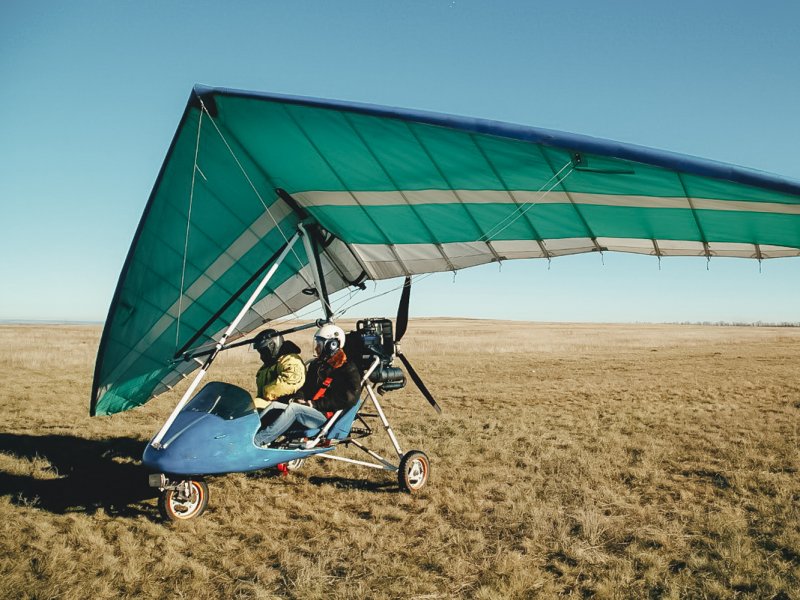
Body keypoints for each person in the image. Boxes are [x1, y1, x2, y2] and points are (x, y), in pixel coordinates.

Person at [254, 323, 362, 447]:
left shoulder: (347, 368)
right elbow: (305, 387)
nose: (316, 348)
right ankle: (249, 434)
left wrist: (314, 404)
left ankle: (257, 441)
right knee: (274, 405)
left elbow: (349, 398)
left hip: (324, 416)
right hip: (310, 410)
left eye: (319, 344)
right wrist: (299, 398)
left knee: (294, 409)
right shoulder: (317, 365)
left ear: (332, 345)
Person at [252, 329, 305, 411]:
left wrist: (267, 392)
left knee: (253, 406)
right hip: (271, 403)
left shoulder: (291, 360)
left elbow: (290, 382)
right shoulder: (271, 362)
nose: (262, 356)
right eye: (261, 352)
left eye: (264, 351)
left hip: (286, 406)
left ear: (273, 346)